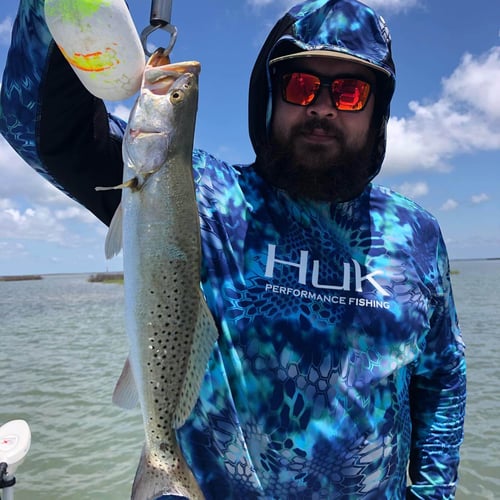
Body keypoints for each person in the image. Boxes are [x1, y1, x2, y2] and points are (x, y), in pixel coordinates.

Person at [0, 0, 466, 498]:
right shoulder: (198, 194)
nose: (323, 106)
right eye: (301, 85)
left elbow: (441, 381)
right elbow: (43, 131)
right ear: (268, 95)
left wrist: (432, 493)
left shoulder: (417, 234)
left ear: (378, 110)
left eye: (351, 91)